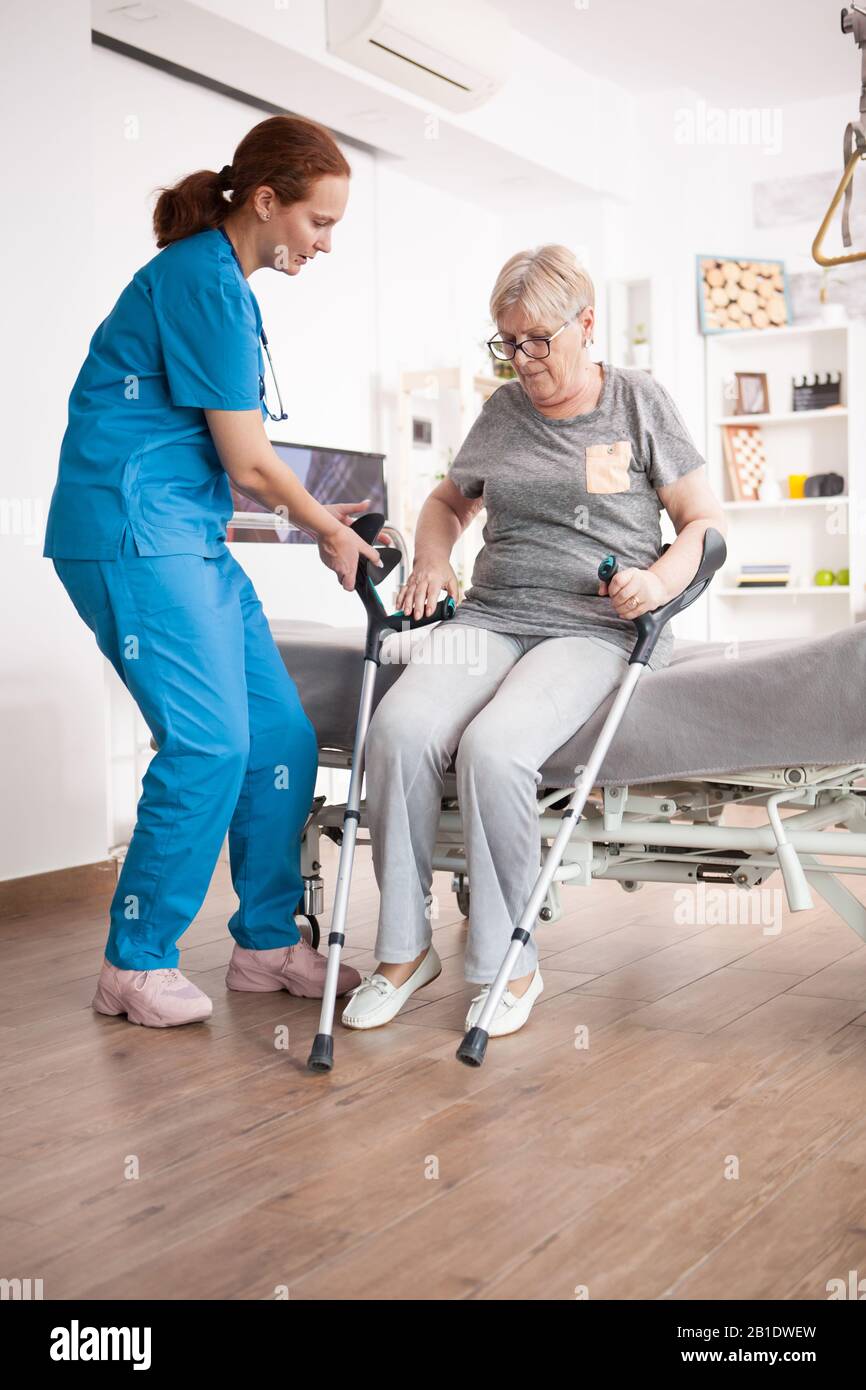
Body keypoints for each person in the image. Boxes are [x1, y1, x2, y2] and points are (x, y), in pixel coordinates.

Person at [44, 115, 380, 1028]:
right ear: (267, 202)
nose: (326, 243)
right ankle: (134, 962)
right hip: (128, 535)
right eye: (320, 222)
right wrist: (323, 530)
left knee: (277, 738)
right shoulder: (204, 280)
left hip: (185, 535)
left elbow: (221, 454)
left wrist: (317, 515)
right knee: (209, 742)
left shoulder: (221, 283)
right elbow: (246, 459)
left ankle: (267, 944)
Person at [343, 244, 727, 1039]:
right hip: (490, 613)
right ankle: (405, 952)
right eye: (505, 343)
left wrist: (657, 583)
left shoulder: (637, 402)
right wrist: (437, 557)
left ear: (587, 324)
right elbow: (448, 503)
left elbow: (703, 524)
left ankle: (507, 962)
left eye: (536, 341)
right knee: (399, 730)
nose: (519, 360)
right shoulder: (501, 411)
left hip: (590, 624)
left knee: (495, 749)